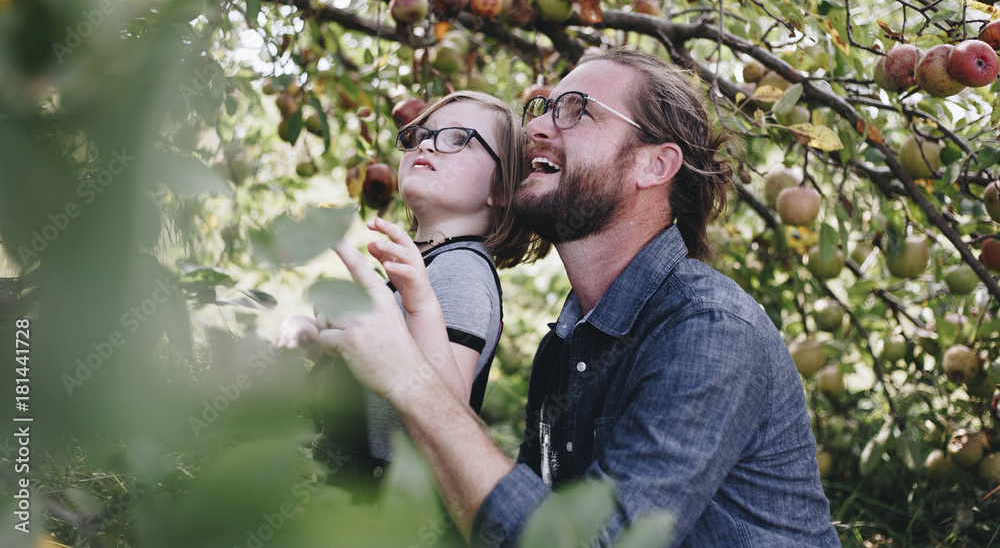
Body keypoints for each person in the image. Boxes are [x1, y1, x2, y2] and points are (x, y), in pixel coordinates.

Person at [316, 48, 840, 546]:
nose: (537, 128)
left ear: (653, 166)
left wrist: (408, 376)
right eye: (543, 109)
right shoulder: (567, 345)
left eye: (575, 111)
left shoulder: (710, 329)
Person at [275, 90, 548, 496]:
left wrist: (407, 307)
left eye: (458, 138)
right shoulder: (426, 265)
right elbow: (380, 367)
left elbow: (446, 411)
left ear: (502, 189)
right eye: (420, 134)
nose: (425, 143)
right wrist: (312, 335)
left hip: (387, 503)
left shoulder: (461, 271)